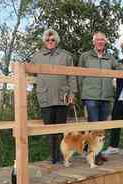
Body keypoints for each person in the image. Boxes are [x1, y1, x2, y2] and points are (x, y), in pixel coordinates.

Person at [78, 32, 123, 164]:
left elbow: (119, 67)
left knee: (102, 128)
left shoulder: (109, 58)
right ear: (93, 42)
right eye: (98, 40)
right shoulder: (85, 57)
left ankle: (97, 153)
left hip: (106, 96)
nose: (100, 42)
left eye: (102, 40)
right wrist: (81, 94)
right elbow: (79, 75)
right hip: (91, 96)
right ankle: (93, 155)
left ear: (105, 42)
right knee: (94, 126)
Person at [31, 29, 77, 164]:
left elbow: (72, 76)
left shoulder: (66, 56)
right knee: (49, 130)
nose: (50, 42)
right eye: (47, 40)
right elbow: (30, 72)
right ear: (44, 41)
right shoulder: (37, 56)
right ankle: (52, 156)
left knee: (61, 129)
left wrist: (72, 93)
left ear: (56, 41)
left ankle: (63, 154)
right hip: (45, 97)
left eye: (52, 40)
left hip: (62, 97)